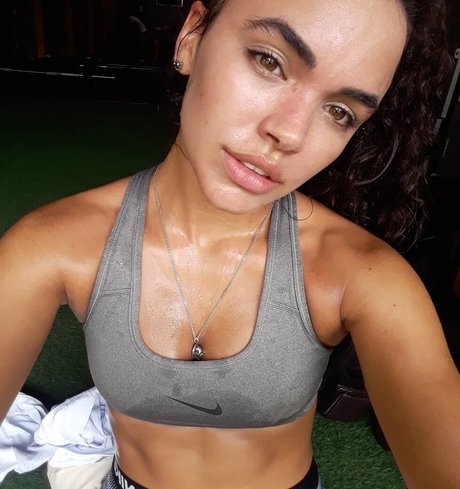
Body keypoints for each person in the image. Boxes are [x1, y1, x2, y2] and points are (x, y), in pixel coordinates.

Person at [1, 0, 459, 488]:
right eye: (270, 61)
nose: (290, 133)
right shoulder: (53, 245)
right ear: (192, 36)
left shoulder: (361, 273)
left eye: (339, 111)